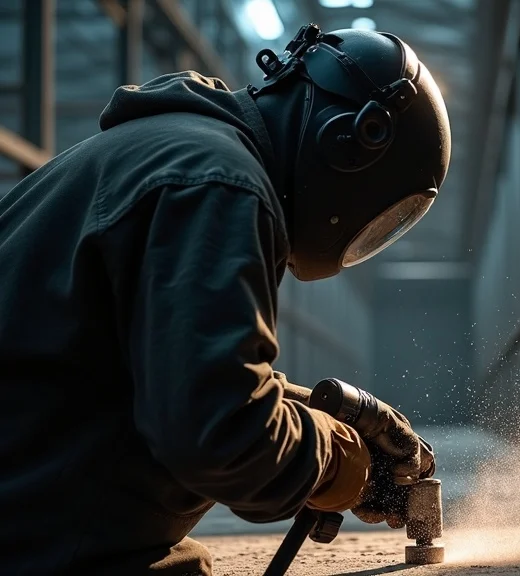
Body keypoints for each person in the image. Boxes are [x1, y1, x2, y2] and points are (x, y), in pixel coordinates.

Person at [0, 24, 450, 575]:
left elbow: (149, 371)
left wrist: (306, 412)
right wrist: (334, 459)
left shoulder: (163, 150)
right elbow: (218, 433)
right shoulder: (221, 184)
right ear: (352, 142)